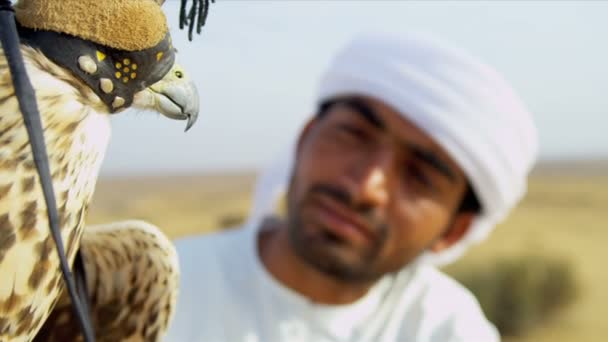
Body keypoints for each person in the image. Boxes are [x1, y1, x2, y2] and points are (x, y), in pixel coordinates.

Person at [165, 31, 538, 341]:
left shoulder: (447, 328)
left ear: (454, 232)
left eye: (420, 175)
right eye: (354, 135)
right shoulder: (156, 287)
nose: (365, 187)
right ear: (305, 138)